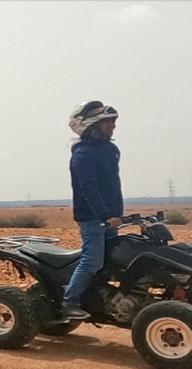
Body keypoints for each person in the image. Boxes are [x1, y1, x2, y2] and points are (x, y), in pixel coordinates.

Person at [61, 100, 123, 320]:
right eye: (107, 122)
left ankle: (99, 299)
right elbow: (89, 189)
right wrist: (105, 215)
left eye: (113, 122)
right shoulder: (83, 154)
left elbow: (112, 185)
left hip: (111, 218)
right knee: (92, 260)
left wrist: (118, 214)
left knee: (113, 261)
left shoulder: (111, 150)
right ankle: (69, 302)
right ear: (90, 125)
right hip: (93, 218)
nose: (113, 126)